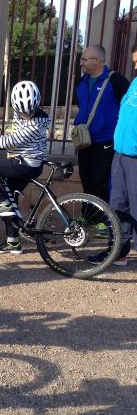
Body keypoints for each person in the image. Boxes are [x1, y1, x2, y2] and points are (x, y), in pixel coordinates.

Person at [0, 80, 51, 254]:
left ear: (36, 105)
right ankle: (13, 242)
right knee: (10, 196)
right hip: (25, 161)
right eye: (22, 112)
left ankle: (3, 204)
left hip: (26, 164)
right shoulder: (23, 114)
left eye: (29, 112)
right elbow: (15, 135)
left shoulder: (34, 125)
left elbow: (8, 141)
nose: (25, 115)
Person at [89, 43, 137, 267]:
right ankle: (118, 251)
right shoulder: (135, 83)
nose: (135, 66)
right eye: (135, 62)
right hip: (121, 154)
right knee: (118, 206)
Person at [74, 45, 129, 215]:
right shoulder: (81, 82)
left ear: (97, 61)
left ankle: (104, 220)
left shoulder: (116, 81)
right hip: (85, 141)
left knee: (102, 180)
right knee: (86, 178)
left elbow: (128, 109)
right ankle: (89, 216)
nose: (81, 63)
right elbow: (80, 106)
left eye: (84, 59)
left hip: (105, 140)